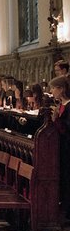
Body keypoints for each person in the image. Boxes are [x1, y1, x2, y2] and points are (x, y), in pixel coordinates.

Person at [49, 75, 70, 221]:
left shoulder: (69, 106)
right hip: (60, 149)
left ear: (61, 89)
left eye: (53, 88)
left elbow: (66, 129)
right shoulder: (61, 104)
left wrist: (56, 119)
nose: (51, 91)